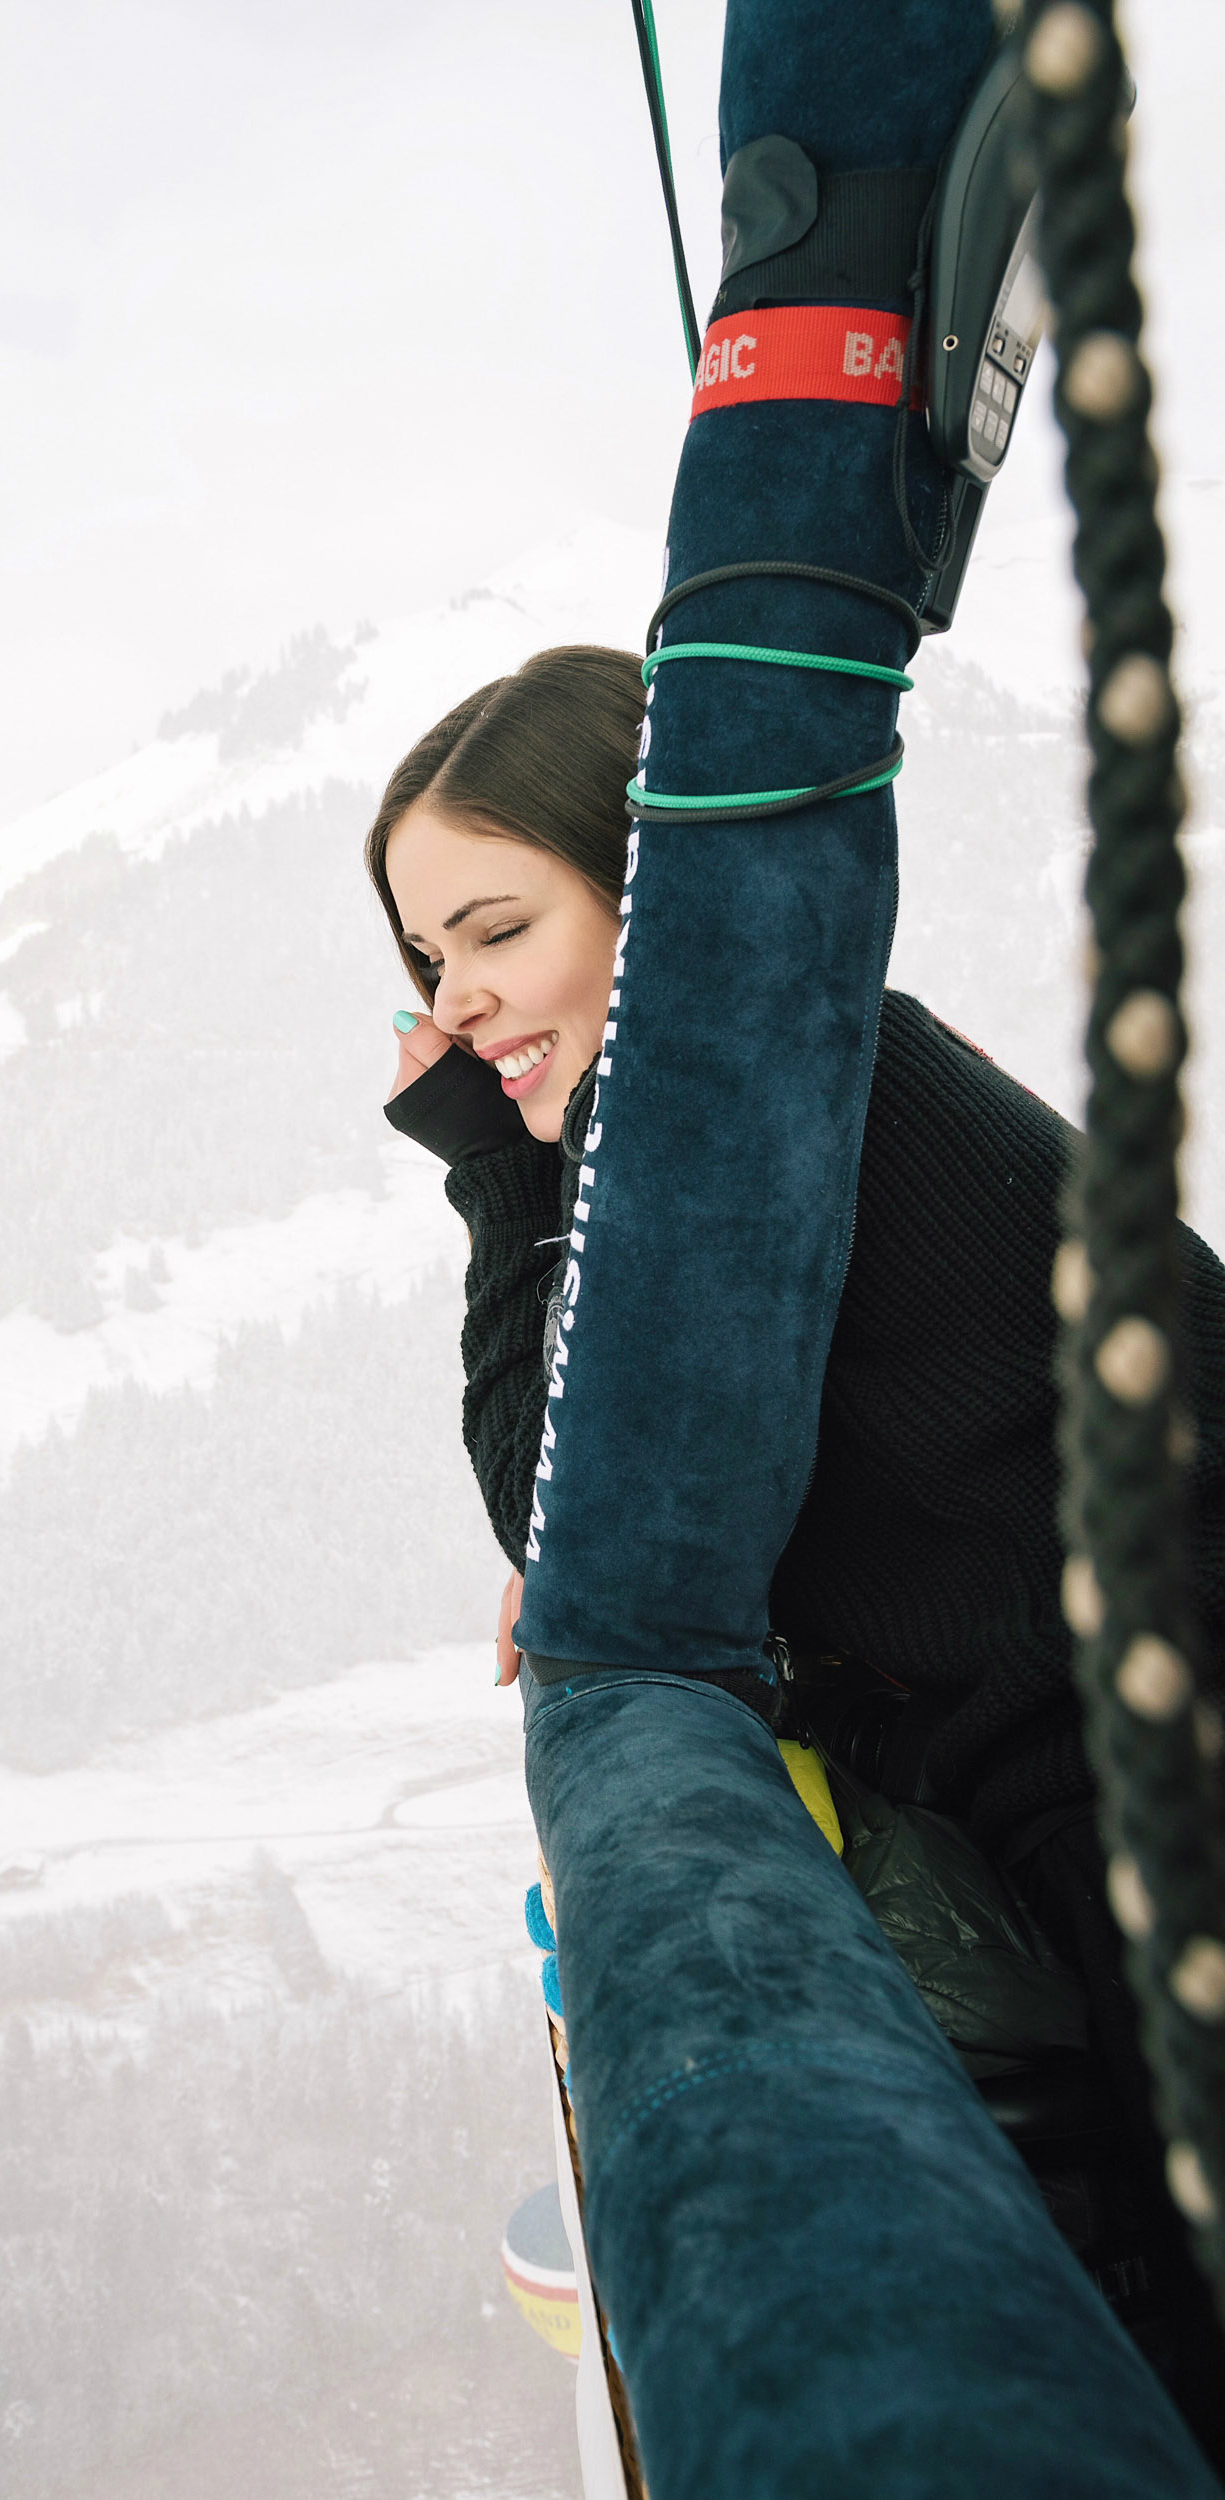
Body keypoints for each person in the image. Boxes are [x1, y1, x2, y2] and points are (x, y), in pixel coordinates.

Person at [367, 641, 1225, 2467]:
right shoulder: (798, 1071)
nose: (452, 1006)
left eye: (495, 930)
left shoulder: (722, 1120)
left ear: (651, 881)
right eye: (427, 959)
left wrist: (495, 1173)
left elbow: (559, 1503)